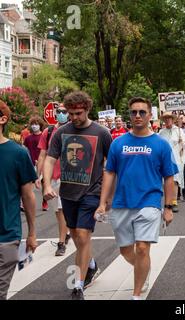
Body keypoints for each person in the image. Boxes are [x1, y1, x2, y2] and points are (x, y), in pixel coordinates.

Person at [95, 97, 177, 300]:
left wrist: (168, 207)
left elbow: (169, 177)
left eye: (142, 112)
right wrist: (102, 203)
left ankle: (136, 294)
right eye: (134, 112)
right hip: (121, 203)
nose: (138, 115)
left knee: (141, 248)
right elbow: (109, 173)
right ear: (129, 115)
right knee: (125, 251)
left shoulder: (161, 144)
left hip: (149, 202)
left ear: (150, 115)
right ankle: (144, 268)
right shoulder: (118, 143)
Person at [43, 91, 112, 300]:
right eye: (70, 113)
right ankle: (90, 264)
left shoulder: (102, 133)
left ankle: (78, 286)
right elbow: (49, 159)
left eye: (78, 113)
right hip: (68, 193)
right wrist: (46, 184)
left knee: (82, 236)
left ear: (87, 109)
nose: (73, 117)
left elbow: (112, 165)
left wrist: (107, 197)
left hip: (92, 192)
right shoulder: (60, 132)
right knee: (76, 236)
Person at [0, 101, 38, 300]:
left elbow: (28, 196)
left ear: (3, 119)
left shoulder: (18, 154)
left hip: (6, 236)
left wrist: (32, 233)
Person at [36, 104, 71, 256]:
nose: (61, 114)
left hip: (69, 178)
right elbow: (43, 155)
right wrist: (39, 176)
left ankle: (61, 242)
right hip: (52, 177)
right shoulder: (48, 131)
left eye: (64, 111)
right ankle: (67, 231)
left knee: (62, 210)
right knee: (58, 211)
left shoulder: (73, 129)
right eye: (59, 111)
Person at [159, 112, 185, 213]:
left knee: (175, 180)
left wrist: (182, 143)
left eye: (169, 118)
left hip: (176, 159)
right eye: (165, 119)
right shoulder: (161, 132)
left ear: (172, 119)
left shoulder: (179, 131)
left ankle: (174, 202)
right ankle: (167, 201)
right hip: (165, 159)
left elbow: (184, 146)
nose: (167, 120)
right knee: (165, 180)